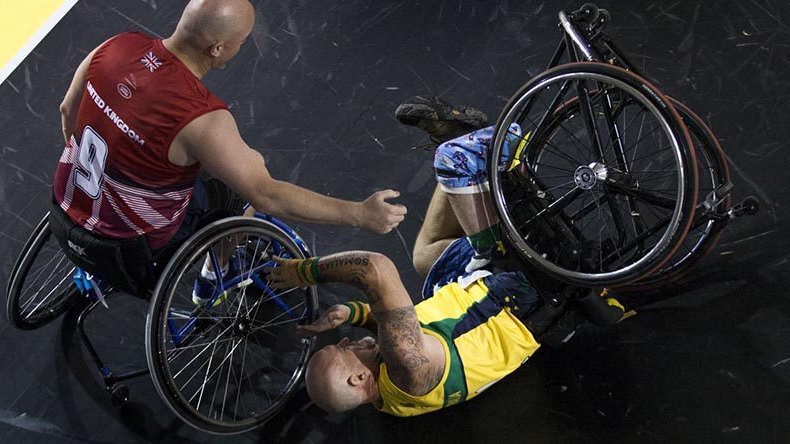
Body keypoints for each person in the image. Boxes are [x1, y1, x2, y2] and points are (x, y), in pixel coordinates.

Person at [265, 97, 626, 416]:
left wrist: (356, 313)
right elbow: (375, 269)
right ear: (359, 378)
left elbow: (393, 335)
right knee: (451, 162)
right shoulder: (408, 370)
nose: (342, 340)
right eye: (341, 350)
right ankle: (499, 152)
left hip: (466, 292)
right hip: (518, 294)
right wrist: (305, 271)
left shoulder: (392, 397)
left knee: (424, 258)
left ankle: (465, 158)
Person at [50, 0, 406, 296]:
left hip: (64, 210)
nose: (242, 47)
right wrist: (360, 214)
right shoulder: (201, 118)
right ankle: (212, 278)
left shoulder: (115, 45)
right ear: (218, 48)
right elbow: (269, 196)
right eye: (242, 40)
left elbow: (68, 111)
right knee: (243, 189)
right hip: (131, 252)